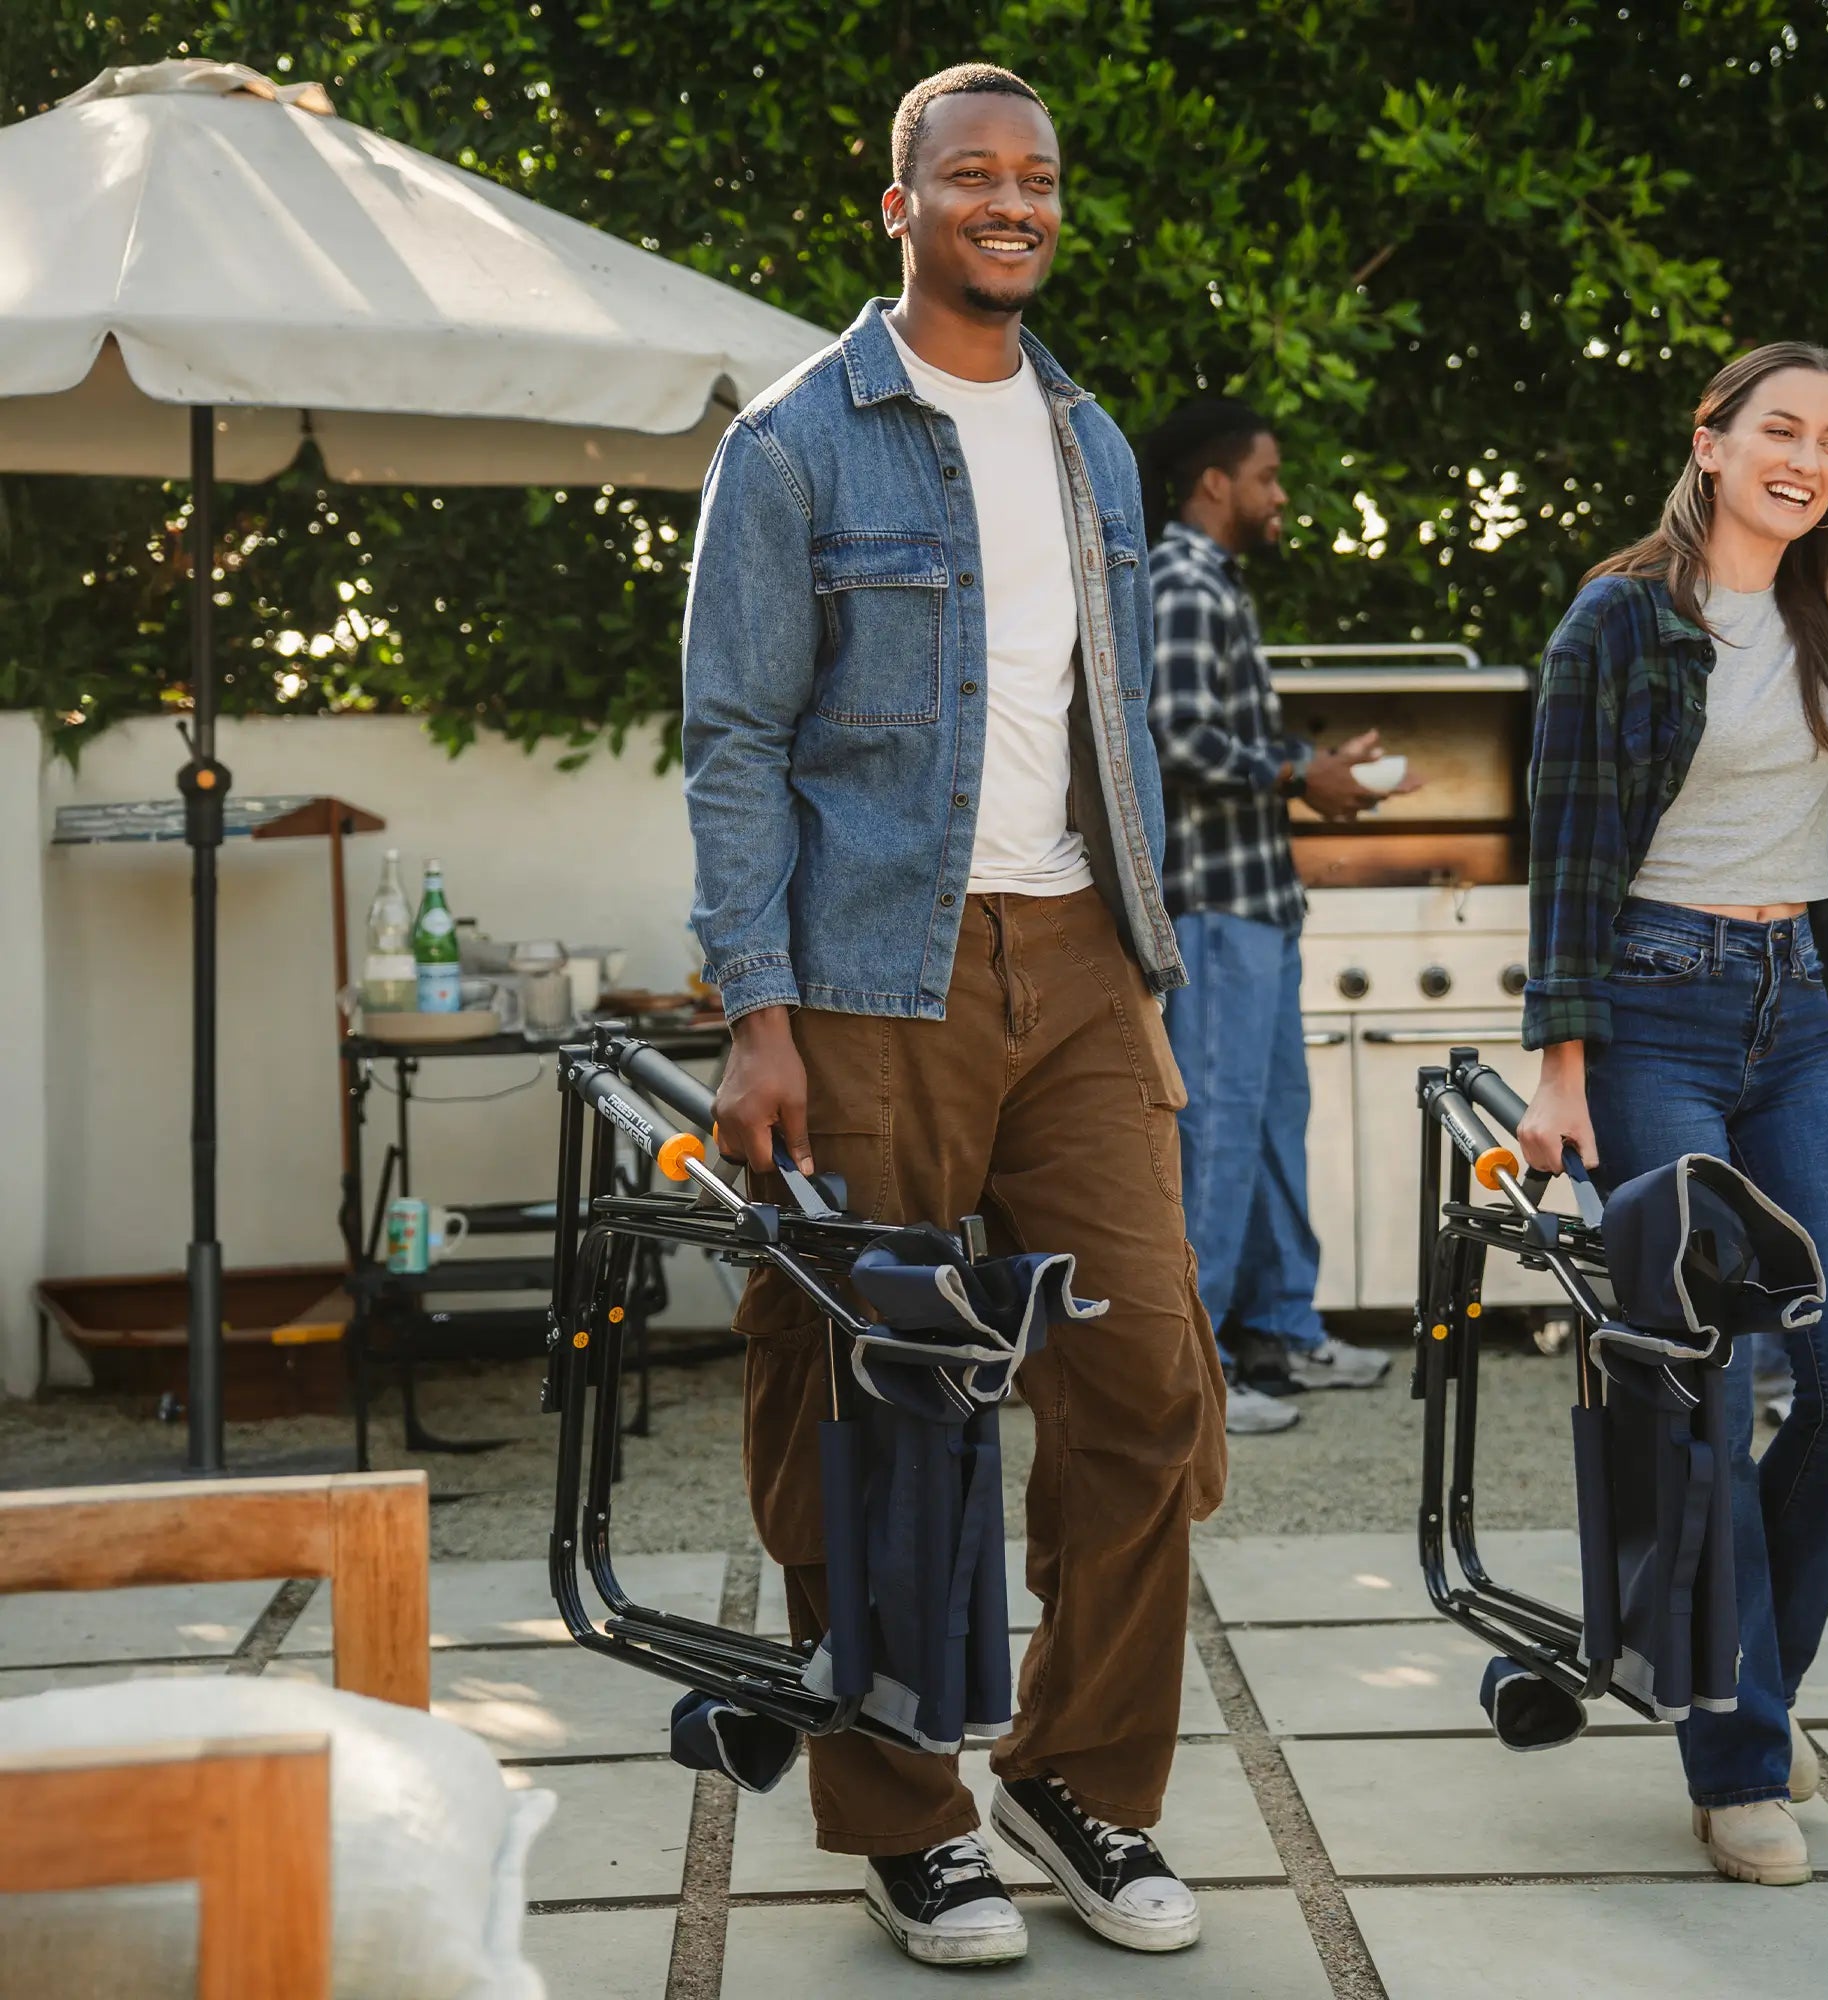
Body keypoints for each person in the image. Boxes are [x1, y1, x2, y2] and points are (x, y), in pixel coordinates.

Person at [680, 64, 1227, 1969]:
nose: (1014, 201)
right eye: (973, 173)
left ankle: (1076, 1781)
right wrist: (758, 1009)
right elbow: (734, 742)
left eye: (1039, 176)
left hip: (1077, 959)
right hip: (865, 980)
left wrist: (1141, 974)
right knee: (870, 1392)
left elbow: (1106, 735)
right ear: (898, 203)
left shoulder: (1093, 440)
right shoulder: (792, 446)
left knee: (1145, 1378)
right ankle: (908, 1817)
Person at [1517, 342, 1828, 1886]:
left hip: (1796, 1015)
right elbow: (1568, 856)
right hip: (1650, 1011)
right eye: (1776, 429)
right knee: (1706, 1398)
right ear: (1706, 439)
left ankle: (1747, 1672)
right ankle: (1737, 1759)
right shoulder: (1620, 618)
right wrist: (1561, 1069)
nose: (1807, 459)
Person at [1143, 399, 1409, 1434]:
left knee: (1265, 1126)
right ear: (1215, 482)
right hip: (1211, 907)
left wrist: (1319, 769)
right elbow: (1172, 734)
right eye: (1266, 475)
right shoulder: (1179, 580)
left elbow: (1212, 734)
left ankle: (1279, 1329)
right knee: (1213, 1131)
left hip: (1255, 902)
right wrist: (1302, 773)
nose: (1279, 494)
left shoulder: (1215, 581)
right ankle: (1193, 1365)